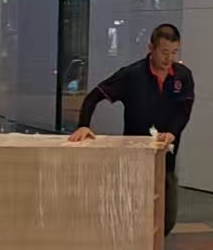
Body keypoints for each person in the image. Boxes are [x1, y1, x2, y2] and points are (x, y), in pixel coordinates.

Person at [69, 24, 195, 234]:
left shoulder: (183, 76)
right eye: (164, 53)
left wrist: (172, 132)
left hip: (166, 157)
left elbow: (184, 110)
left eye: (174, 53)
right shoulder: (132, 75)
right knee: (134, 215)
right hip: (134, 157)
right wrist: (83, 125)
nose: (168, 59)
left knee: (166, 219)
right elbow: (93, 97)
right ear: (150, 48)